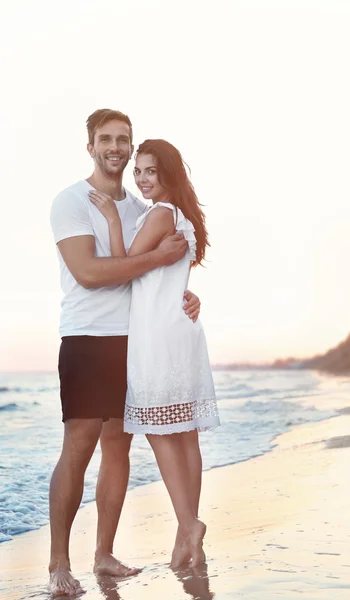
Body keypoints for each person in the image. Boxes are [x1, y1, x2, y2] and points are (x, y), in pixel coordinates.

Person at [49, 110, 201, 597]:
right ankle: (58, 564)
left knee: (119, 447)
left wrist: (185, 296)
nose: (116, 148)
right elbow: (90, 273)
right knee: (78, 447)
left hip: (136, 342)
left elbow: (156, 277)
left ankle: (104, 555)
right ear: (90, 145)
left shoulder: (142, 206)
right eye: (106, 139)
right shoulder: (71, 201)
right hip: (89, 339)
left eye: (123, 140)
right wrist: (156, 259)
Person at [88, 139, 220, 569]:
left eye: (150, 171)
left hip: (158, 336)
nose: (142, 179)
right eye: (139, 172)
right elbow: (165, 275)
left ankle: (189, 524)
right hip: (181, 331)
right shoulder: (182, 217)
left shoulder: (160, 213)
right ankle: (187, 538)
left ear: (169, 173)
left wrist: (110, 216)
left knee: (163, 431)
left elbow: (124, 264)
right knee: (186, 436)